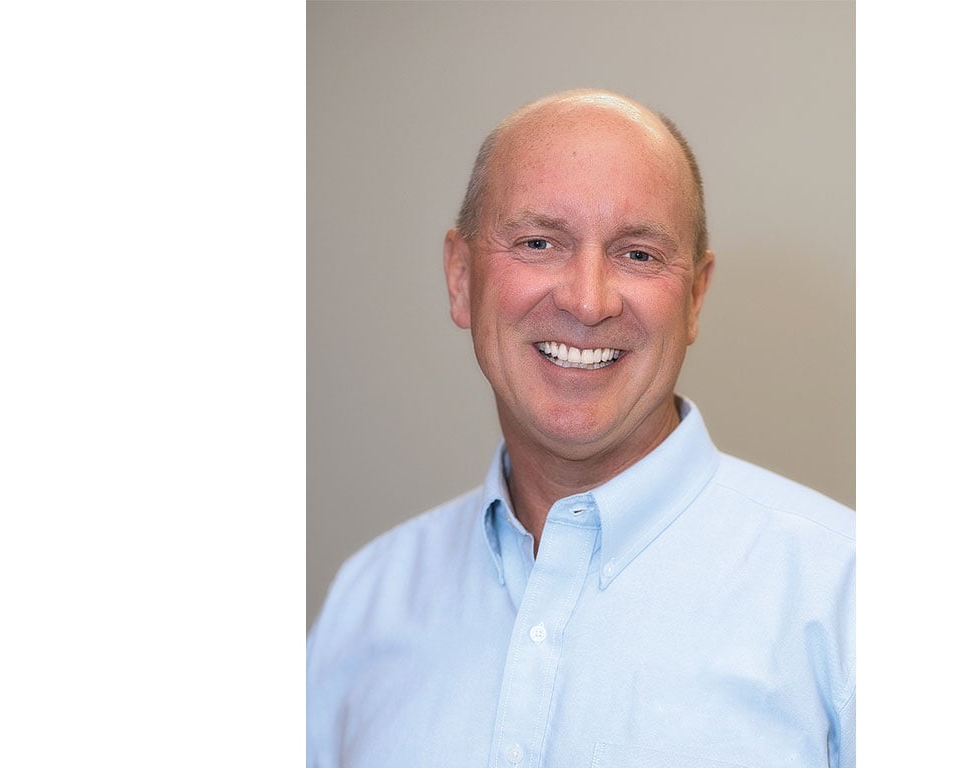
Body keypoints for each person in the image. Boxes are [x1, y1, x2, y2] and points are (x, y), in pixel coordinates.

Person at [307, 89, 855, 768]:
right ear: (461, 276)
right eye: (539, 243)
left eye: (638, 254)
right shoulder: (364, 603)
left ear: (695, 297)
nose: (588, 302)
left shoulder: (848, 597)